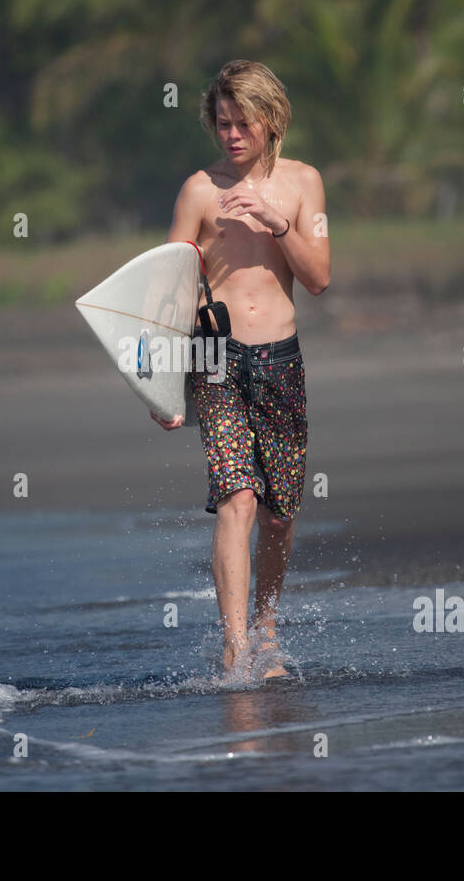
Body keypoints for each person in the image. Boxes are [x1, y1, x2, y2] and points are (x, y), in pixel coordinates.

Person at [154, 59, 330, 679]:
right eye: (222, 122)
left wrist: (278, 222)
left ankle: (267, 630)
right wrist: (161, 385)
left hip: (281, 359)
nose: (231, 134)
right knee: (239, 500)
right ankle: (236, 649)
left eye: (243, 123)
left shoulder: (304, 184)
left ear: (272, 119)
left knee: (281, 511)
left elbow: (319, 278)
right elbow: (170, 289)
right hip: (215, 358)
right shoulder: (198, 190)